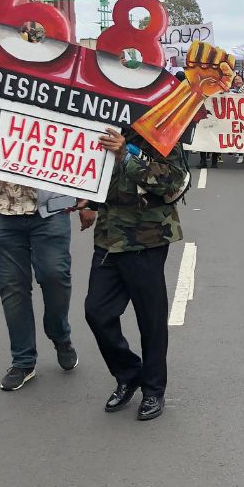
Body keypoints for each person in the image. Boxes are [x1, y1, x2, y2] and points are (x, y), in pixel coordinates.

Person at [0, 100, 84, 393]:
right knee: (13, 289)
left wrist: (89, 197)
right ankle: (23, 361)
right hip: (1, 213)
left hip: (49, 211)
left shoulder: (55, 97)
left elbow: (81, 144)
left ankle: (60, 334)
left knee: (55, 277)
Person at [80, 128, 189, 423]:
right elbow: (93, 171)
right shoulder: (101, 126)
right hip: (108, 239)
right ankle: (129, 374)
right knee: (96, 312)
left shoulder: (161, 133)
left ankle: (153, 389)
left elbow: (174, 182)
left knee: (150, 319)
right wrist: (88, 200)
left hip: (146, 239)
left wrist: (126, 154)